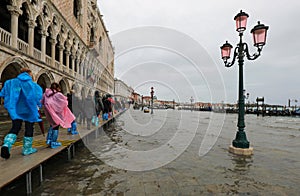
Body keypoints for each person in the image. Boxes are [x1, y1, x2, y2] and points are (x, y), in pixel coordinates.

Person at [0, 68, 43, 159]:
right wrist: (39, 105)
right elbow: (38, 97)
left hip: (15, 110)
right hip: (29, 110)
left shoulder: (10, 82)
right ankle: (27, 149)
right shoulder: (33, 85)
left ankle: (7, 144)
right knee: (29, 127)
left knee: (15, 127)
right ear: (29, 74)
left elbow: (2, 94)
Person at [41, 82, 75, 148]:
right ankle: (54, 142)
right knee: (56, 127)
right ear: (58, 88)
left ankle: (48, 140)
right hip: (56, 114)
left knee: (51, 126)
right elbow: (65, 102)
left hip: (49, 113)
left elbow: (41, 102)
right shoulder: (58, 94)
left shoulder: (45, 94)